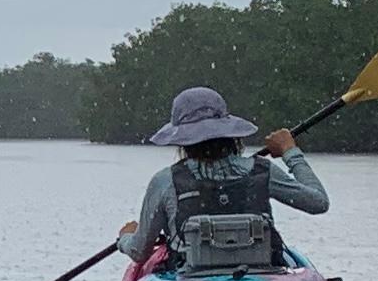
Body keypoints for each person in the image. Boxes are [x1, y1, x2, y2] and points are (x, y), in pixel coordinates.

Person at [116, 85, 329, 269]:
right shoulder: (262, 170)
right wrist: (289, 151)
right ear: (229, 133)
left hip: (189, 276)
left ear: (182, 140)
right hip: (262, 270)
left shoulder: (165, 181)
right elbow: (317, 202)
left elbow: (139, 251)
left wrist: (126, 237)